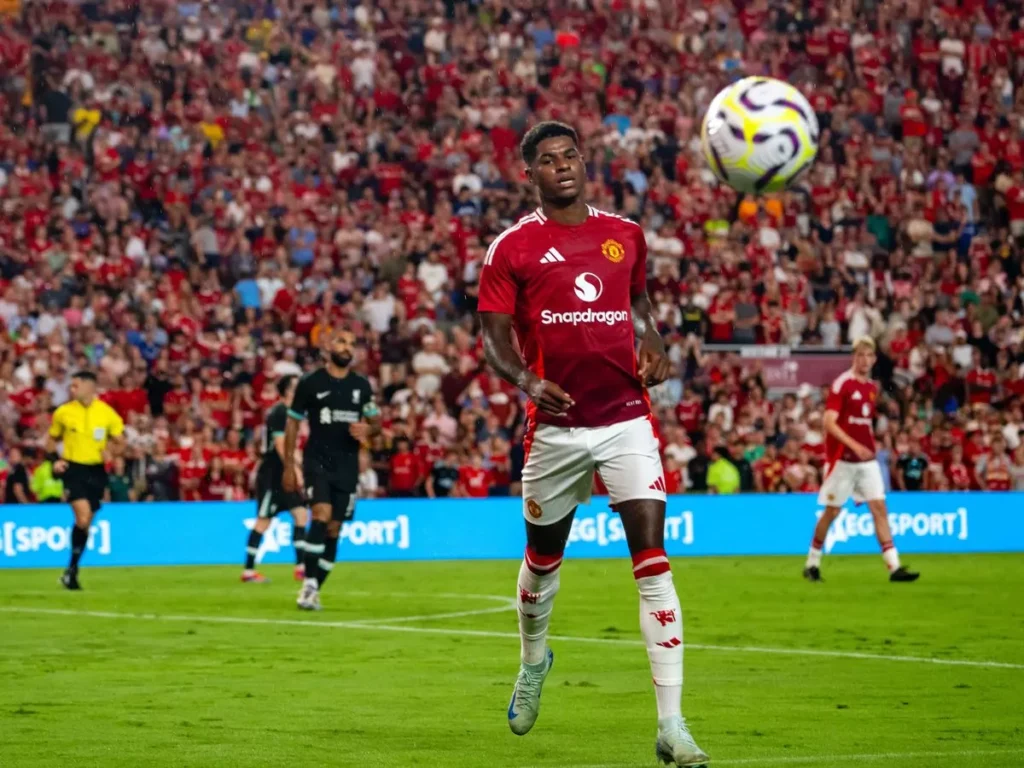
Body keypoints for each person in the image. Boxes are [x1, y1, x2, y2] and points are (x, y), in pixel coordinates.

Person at [478, 121, 708, 767]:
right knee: (542, 565)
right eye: (548, 161)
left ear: (584, 162)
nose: (563, 167)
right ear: (530, 174)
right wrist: (526, 379)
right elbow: (493, 335)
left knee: (654, 565)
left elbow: (640, 305)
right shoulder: (512, 248)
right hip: (556, 430)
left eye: (570, 156)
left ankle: (672, 725)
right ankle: (532, 661)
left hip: (627, 419)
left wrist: (656, 340)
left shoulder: (624, 234)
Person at [803, 338, 919, 583]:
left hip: (867, 462)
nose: (864, 360)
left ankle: (894, 567)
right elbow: (829, 423)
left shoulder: (871, 389)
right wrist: (855, 445)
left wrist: (871, 443)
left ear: (874, 359)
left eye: (869, 355)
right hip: (843, 461)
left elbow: (861, 423)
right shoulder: (842, 384)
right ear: (854, 357)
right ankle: (812, 562)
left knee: (879, 509)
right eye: (860, 355)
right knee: (832, 512)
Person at [283, 329, 380, 611]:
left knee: (334, 529)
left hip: (348, 467)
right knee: (321, 515)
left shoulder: (361, 386)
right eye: (341, 341)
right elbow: (292, 424)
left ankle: (313, 587)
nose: (347, 347)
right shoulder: (310, 383)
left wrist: (369, 428)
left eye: (351, 343)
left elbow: (376, 423)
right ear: (328, 346)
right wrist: (289, 466)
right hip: (317, 461)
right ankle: (309, 584)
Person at [46, 371, 125, 590]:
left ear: (89, 387)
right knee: (82, 517)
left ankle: (71, 571)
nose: (71, 390)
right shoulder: (64, 412)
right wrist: (55, 460)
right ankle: (71, 571)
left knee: (87, 522)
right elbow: (51, 440)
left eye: (75, 386)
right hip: (74, 469)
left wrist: (112, 452)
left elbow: (120, 442)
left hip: (96, 471)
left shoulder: (106, 413)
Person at [242, 375, 309, 583]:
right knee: (263, 521)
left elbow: (292, 446)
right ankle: (249, 571)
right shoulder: (279, 412)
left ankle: (301, 567)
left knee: (301, 515)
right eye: (296, 386)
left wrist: (301, 466)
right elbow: (281, 445)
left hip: (284, 470)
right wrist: (294, 469)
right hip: (272, 474)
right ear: (288, 390)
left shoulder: (292, 413)